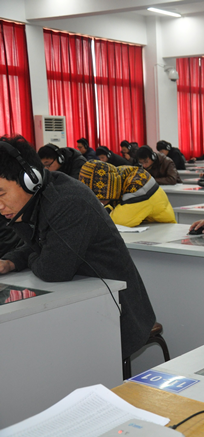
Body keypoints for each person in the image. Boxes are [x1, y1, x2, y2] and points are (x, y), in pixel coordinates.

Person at [0, 136, 156, 359]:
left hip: (114, 313)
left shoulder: (68, 201)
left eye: (1, 194)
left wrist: (37, 255)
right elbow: (42, 244)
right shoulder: (39, 196)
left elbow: (53, 269)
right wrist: (12, 261)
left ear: (30, 179)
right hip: (81, 305)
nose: (0, 206)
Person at [79, 161, 176, 227]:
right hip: (145, 226)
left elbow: (119, 221)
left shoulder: (138, 184)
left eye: (101, 199)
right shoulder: (114, 176)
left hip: (163, 229)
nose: (101, 202)